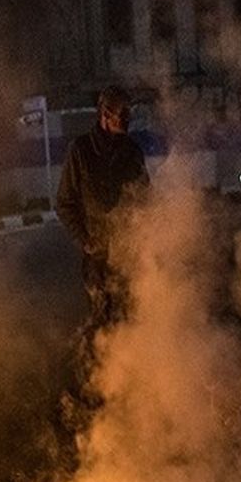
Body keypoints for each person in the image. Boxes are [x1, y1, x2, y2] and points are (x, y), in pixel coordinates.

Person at [56, 85, 150, 335]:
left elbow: (146, 201)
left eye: (129, 113)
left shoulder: (132, 152)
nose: (128, 119)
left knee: (133, 321)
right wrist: (85, 240)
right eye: (123, 114)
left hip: (129, 256)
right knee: (102, 326)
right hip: (97, 262)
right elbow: (65, 203)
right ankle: (101, 372)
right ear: (105, 115)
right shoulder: (81, 151)